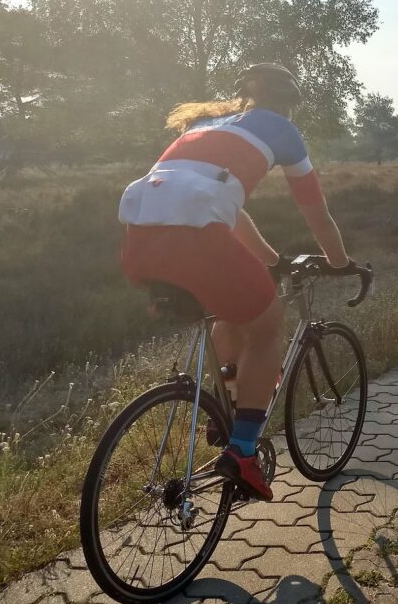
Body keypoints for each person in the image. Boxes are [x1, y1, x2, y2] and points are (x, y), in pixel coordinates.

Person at [118, 63, 352, 502]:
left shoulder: (206, 123)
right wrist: (340, 262)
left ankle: (225, 409)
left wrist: (272, 261)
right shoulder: (282, 130)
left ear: (244, 95)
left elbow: (232, 211)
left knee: (230, 313)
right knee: (267, 327)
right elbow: (316, 212)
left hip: (139, 240)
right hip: (198, 236)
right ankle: (243, 451)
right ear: (286, 104)